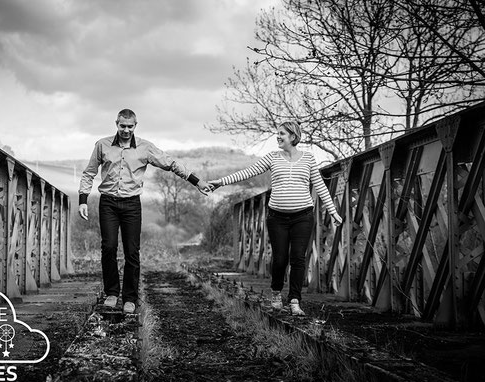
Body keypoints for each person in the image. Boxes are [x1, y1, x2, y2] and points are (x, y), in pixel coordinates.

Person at [78, 109, 213, 314]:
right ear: (116, 124)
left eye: (129, 126)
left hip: (132, 204)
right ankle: (112, 293)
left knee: (132, 251)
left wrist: (197, 182)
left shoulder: (145, 147)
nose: (125, 130)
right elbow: (89, 173)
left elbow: (172, 163)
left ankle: (130, 298)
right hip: (108, 203)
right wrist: (82, 200)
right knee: (109, 247)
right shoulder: (102, 145)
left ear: (135, 126)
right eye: (122, 126)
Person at [209, 121, 342, 316]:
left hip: (303, 216)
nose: (278, 137)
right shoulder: (272, 158)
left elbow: (320, 186)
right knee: (280, 259)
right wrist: (221, 182)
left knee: (298, 258)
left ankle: (295, 301)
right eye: (277, 134)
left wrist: (333, 211)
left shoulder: (308, 159)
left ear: (293, 137)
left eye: (282, 134)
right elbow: (248, 172)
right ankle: (276, 292)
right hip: (277, 218)